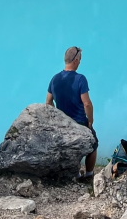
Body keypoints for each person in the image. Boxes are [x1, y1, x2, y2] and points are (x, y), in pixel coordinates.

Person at [46, 46, 98, 181]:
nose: (80, 62)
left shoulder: (55, 79)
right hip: (79, 122)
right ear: (75, 60)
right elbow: (87, 103)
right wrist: (90, 121)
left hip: (62, 123)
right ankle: (89, 174)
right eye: (80, 59)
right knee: (94, 144)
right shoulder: (80, 79)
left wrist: (58, 117)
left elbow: (49, 102)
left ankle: (73, 172)